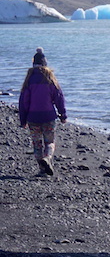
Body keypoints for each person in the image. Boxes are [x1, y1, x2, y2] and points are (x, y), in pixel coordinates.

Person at [18, 48, 67, 177]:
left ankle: (41, 169)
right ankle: (47, 158)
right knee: (49, 142)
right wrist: (63, 115)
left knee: (37, 144)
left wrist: (23, 120)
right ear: (45, 64)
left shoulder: (29, 80)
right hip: (48, 116)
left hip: (33, 118)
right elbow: (59, 98)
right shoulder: (50, 79)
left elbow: (23, 102)